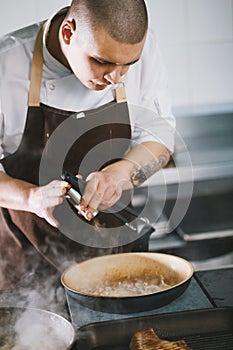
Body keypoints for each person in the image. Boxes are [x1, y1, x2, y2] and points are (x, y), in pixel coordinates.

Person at [0, 0, 175, 290]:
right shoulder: (6, 64)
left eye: (127, 66)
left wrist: (118, 177)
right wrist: (31, 198)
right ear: (68, 33)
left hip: (113, 262)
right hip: (26, 268)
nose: (114, 77)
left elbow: (160, 139)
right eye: (102, 61)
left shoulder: (138, 49)